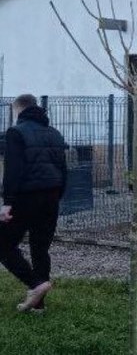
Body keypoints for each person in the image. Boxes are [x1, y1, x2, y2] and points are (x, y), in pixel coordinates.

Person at [0, 94, 68, 313]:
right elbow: (63, 169)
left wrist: (7, 202)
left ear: (18, 109)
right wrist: (57, 195)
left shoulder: (16, 132)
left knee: (3, 245)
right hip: (52, 196)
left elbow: (13, 170)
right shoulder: (55, 133)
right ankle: (38, 305)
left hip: (26, 197)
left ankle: (36, 284)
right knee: (40, 248)